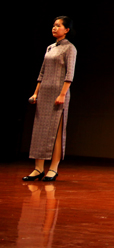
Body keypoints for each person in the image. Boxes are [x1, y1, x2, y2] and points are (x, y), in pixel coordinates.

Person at [24, 16, 77, 182]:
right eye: (53, 25)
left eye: (58, 25)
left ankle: (53, 168)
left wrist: (62, 94)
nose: (54, 28)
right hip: (45, 93)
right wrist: (36, 93)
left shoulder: (70, 48)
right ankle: (38, 168)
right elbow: (42, 73)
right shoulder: (50, 48)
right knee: (40, 131)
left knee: (56, 132)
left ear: (66, 30)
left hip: (59, 93)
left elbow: (69, 74)